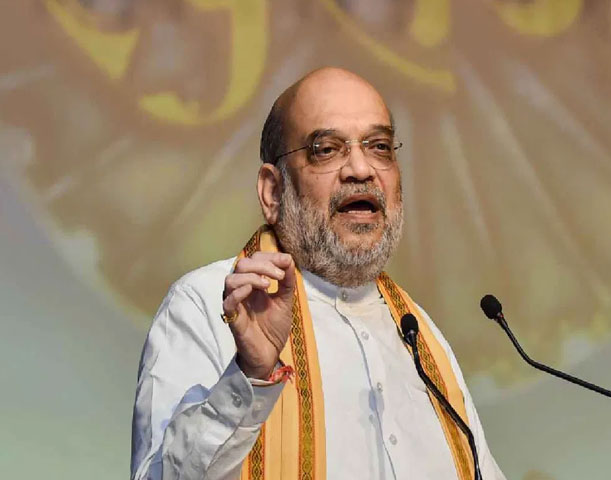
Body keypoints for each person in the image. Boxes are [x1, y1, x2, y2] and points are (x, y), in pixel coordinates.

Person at [131, 67, 506, 480]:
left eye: (380, 147)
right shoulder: (206, 303)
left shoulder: (422, 337)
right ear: (273, 192)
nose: (361, 169)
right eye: (326, 150)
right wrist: (251, 377)